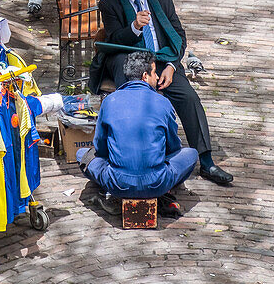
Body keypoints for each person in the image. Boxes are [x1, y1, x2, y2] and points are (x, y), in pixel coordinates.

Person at [90, 0, 233, 186]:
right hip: (132, 65)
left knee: (189, 98)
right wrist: (135, 27)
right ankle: (139, 157)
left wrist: (171, 66)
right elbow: (114, 40)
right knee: (139, 103)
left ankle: (206, 161)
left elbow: (179, 37)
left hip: (164, 62)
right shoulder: (110, 4)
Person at [78, 50, 199, 212]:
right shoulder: (163, 102)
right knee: (191, 154)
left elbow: (100, 147)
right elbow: (173, 147)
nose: (157, 77)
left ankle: (114, 193)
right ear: (144, 76)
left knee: (82, 154)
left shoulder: (109, 101)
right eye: (154, 72)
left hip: (117, 184)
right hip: (157, 184)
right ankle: (162, 192)